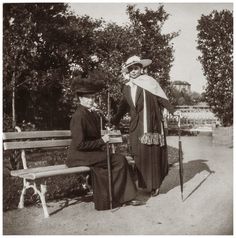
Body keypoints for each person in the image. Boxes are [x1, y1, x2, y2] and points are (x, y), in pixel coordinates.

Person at [66, 70, 144, 210]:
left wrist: (100, 116)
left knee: (116, 161)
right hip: (78, 156)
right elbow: (79, 144)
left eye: (93, 97)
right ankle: (122, 197)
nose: (91, 100)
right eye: (88, 98)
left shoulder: (90, 113)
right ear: (80, 99)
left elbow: (102, 126)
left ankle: (115, 198)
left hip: (90, 154)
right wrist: (102, 141)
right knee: (118, 160)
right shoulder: (79, 116)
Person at [111, 56, 176, 197]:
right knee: (139, 155)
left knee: (151, 155)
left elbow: (162, 98)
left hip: (150, 125)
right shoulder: (127, 87)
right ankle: (144, 184)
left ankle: (154, 185)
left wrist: (174, 111)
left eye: (136, 68)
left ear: (141, 69)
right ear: (128, 71)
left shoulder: (150, 83)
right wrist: (114, 120)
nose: (133, 71)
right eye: (131, 69)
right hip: (136, 126)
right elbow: (123, 106)